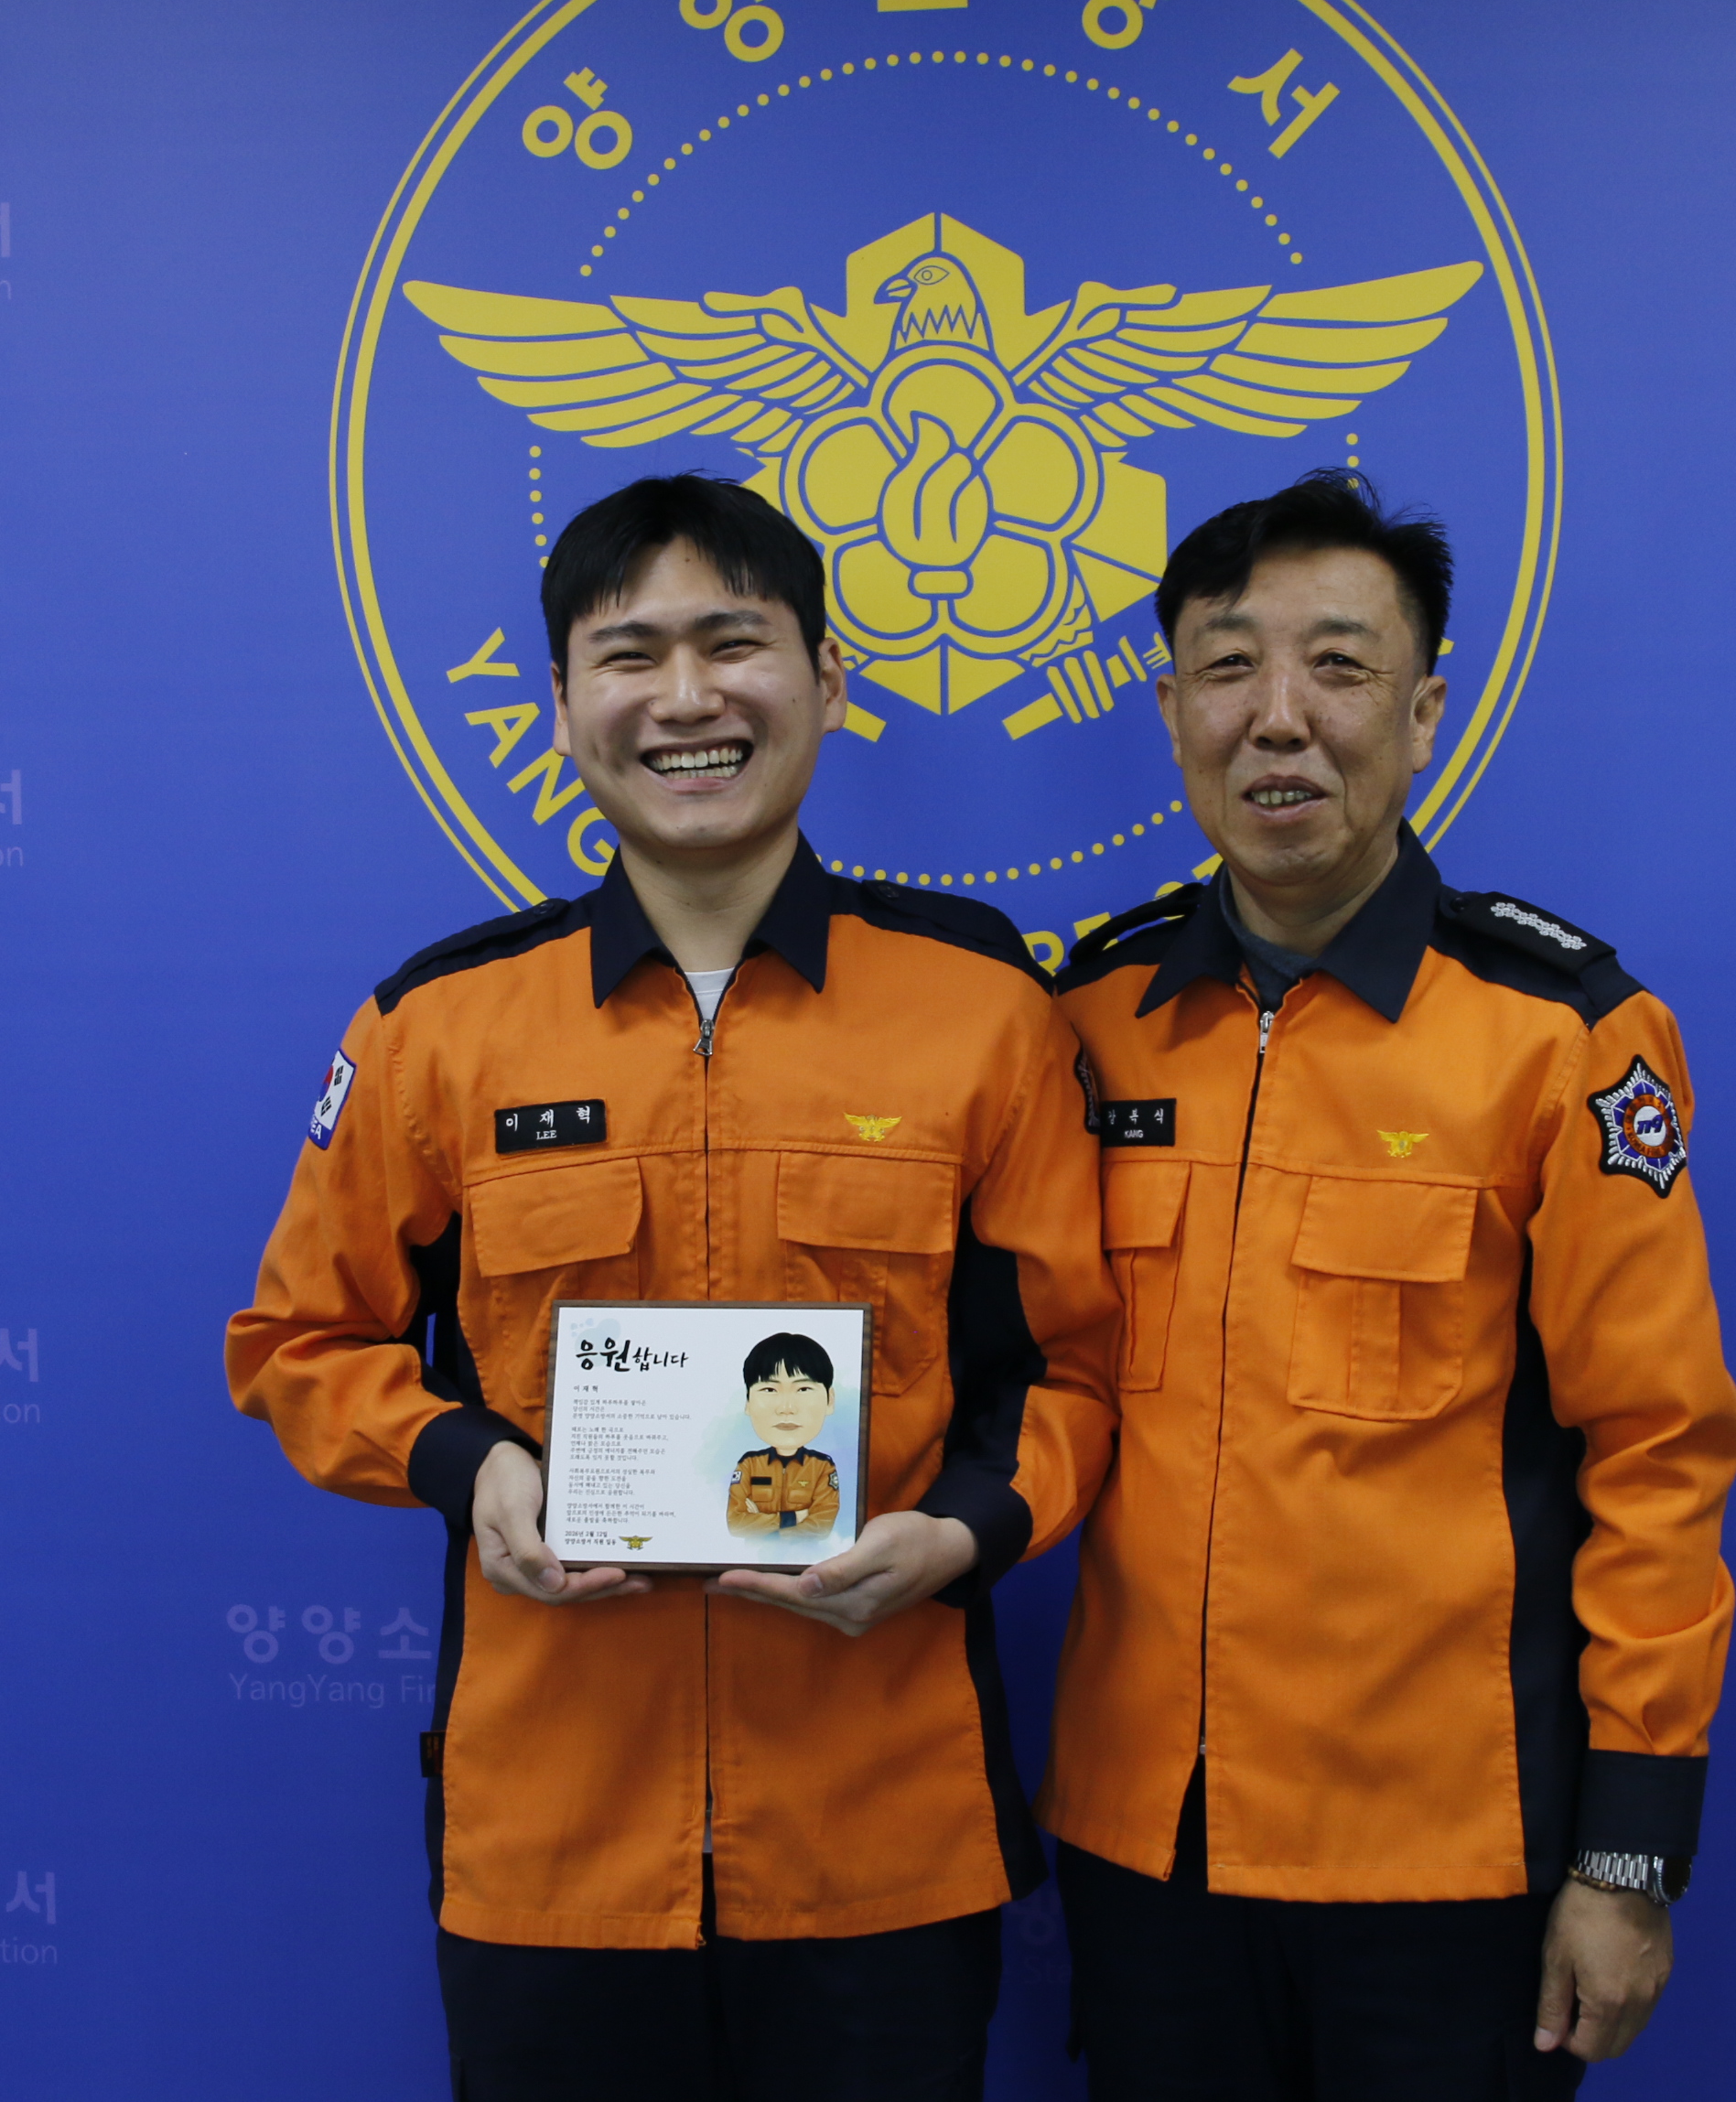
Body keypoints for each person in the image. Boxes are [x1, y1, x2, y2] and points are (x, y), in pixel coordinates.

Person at [224, 473, 1117, 2102]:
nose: (687, 697)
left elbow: (1075, 1367)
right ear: (564, 704)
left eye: (733, 642)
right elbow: (297, 1341)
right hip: (551, 1840)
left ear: (827, 679)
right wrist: (468, 1462)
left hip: (881, 1837)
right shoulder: (439, 1026)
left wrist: (965, 1533)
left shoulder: (980, 1007)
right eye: (629, 654)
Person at [1029, 470, 1736, 2098]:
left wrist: (1629, 1855)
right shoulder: (1086, 1020)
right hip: (1150, 1845)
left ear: (1423, 714)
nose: (1276, 716)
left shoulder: (1562, 1034)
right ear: (1170, 713)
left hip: (1452, 1860)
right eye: (1227, 667)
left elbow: (1657, 1452)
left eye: (1338, 667)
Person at [727, 1331, 846, 1539]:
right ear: (747, 1402)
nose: (786, 1408)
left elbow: (820, 1529)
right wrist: (794, 1518)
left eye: (803, 1389)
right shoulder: (749, 1465)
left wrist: (762, 1525)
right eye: (769, 1390)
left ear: (830, 1400)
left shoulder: (822, 1468)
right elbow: (736, 1525)